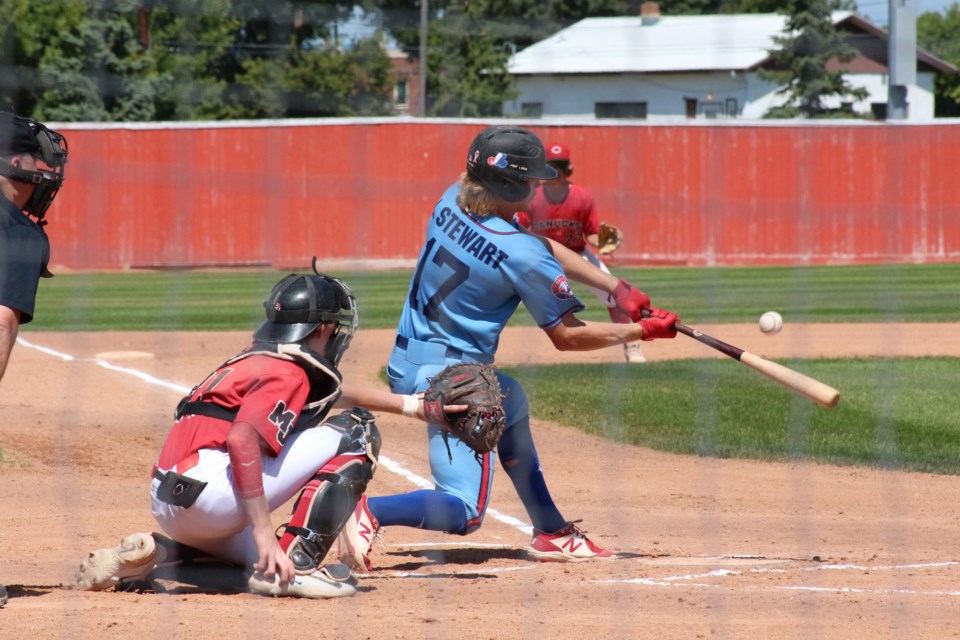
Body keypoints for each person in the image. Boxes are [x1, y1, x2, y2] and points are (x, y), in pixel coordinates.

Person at [336, 125, 679, 571]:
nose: (539, 187)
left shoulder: (451, 200)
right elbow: (567, 336)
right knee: (465, 509)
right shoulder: (521, 255)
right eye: (533, 180)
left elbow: (537, 243)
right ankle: (368, 512)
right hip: (453, 382)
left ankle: (551, 531)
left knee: (511, 398)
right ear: (514, 185)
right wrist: (641, 332)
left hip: (407, 360)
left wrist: (616, 287)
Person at [76, 268, 464, 599]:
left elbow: (329, 395)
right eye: (337, 324)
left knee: (261, 572)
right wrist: (263, 531)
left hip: (170, 505)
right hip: (213, 499)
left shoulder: (259, 358)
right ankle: (298, 559)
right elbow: (242, 439)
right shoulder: (289, 371)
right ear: (325, 327)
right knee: (356, 431)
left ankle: (161, 555)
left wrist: (414, 406)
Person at [0, 111, 69, 608]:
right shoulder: (20, 234)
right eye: (41, 161)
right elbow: (1, 320)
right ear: (18, 163)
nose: (48, 173)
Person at [514, 141, 646, 363]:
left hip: (578, 254)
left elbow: (591, 234)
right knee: (506, 292)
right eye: (552, 165)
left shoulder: (583, 197)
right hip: (541, 256)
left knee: (615, 292)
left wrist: (603, 242)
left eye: (561, 165)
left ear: (570, 168)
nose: (556, 171)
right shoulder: (532, 197)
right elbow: (520, 229)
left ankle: (631, 345)